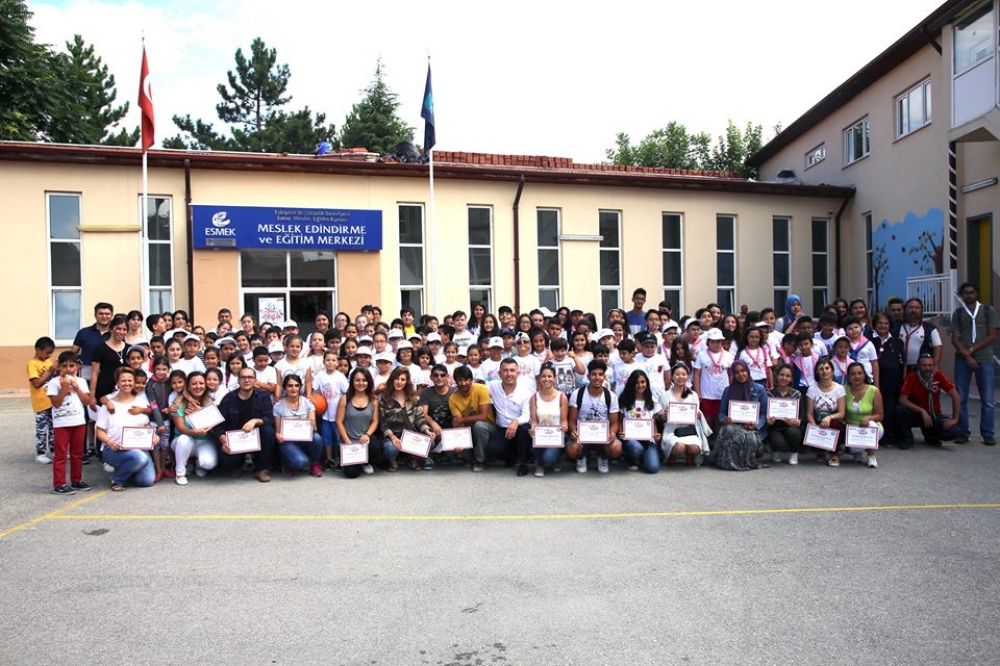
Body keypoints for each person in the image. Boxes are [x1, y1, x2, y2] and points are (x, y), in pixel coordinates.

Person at [949, 281, 998, 445]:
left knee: (988, 399)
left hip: (984, 358)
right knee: (961, 397)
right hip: (963, 359)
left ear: (976, 294)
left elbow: (992, 335)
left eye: (972, 292)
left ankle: (988, 433)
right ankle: (963, 432)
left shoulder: (988, 311)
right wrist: (966, 353)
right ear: (961, 295)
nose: (969, 295)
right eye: (966, 293)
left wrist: (972, 349)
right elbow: (954, 337)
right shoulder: (958, 313)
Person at [95, 367, 156, 490]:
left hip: (138, 447)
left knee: (146, 481)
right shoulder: (109, 404)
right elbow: (99, 430)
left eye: (130, 380)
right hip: (114, 449)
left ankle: (127, 469)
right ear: (117, 382)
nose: (127, 383)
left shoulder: (140, 402)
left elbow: (146, 425)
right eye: (123, 381)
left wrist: (153, 436)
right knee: (141, 458)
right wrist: (109, 442)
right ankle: (117, 480)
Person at [212, 368, 277, 482]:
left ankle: (261, 469)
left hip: (257, 436)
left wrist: (255, 421)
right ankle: (238, 465)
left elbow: (269, 417)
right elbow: (219, 423)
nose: (246, 380)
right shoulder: (228, 398)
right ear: (238, 380)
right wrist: (222, 437)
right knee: (226, 460)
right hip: (236, 438)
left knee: (268, 431)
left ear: (255, 380)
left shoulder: (263, 395)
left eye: (250, 377)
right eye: (243, 377)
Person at [46, 351, 91, 493]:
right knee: (61, 455)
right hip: (61, 424)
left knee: (77, 454)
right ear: (59, 367)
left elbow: (86, 401)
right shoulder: (54, 383)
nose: (68, 369)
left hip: (78, 422)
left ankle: (76, 480)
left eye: (71, 365)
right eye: (64, 366)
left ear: (77, 366)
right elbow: (56, 403)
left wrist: (76, 387)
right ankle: (59, 484)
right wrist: (64, 388)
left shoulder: (81, 382)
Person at [567, 359, 622, 474]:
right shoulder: (577, 394)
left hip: (602, 436)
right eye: (594, 374)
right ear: (588, 376)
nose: (597, 378)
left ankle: (603, 457)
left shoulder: (611, 396)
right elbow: (571, 420)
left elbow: (614, 423)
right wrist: (573, 431)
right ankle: (581, 457)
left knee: (616, 448)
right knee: (572, 450)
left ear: (604, 377)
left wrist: (612, 433)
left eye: (600, 374)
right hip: (583, 435)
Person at [896, 353, 963, 447]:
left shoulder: (938, 375)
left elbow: (955, 396)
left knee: (955, 431)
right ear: (919, 366)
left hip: (934, 414)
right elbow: (902, 399)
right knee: (900, 410)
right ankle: (907, 439)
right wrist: (922, 411)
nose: (927, 368)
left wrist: (954, 419)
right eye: (924, 365)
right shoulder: (912, 377)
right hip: (917, 414)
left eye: (930, 365)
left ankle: (932, 436)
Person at [713, 360, 768, 470]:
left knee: (749, 438)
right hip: (735, 426)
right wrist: (724, 419)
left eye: (743, 371)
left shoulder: (759, 389)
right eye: (736, 372)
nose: (740, 374)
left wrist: (756, 425)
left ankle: (746, 460)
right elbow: (722, 413)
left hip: (752, 428)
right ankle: (728, 461)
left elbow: (764, 414)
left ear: (748, 371)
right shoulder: (728, 390)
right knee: (728, 430)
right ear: (733, 374)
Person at [488, 358, 536, 476]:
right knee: (492, 450)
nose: (509, 374)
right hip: (502, 428)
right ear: (499, 374)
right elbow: (477, 390)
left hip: (519, 428)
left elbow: (527, 415)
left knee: (524, 429)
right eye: (505, 370)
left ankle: (523, 463)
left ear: (518, 373)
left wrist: (516, 421)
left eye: (512, 370)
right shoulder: (493, 387)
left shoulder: (526, 391)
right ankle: (512, 456)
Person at [380, 366, 434, 472]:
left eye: (403, 379)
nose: (399, 382)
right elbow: (383, 423)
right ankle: (393, 459)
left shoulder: (414, 397)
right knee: (389, 449)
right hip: (394, 437)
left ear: (407, 382)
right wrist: (392, 437)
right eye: (397, 379)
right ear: (392, 380)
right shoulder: (385, 398)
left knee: (430, 442)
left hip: (411, 436)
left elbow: (419, 418)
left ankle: (412, 457)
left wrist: (427, 431)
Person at [171, 371, 219, 484]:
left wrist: (200, 413)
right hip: (182, 441)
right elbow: (181, 428)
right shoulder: (178, 402)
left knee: (209, 463)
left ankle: (198, 464)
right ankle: (180, 473)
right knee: (184, 439)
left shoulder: (209, 402)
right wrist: (195, 432)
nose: (198, 386)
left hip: (204, 440)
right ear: (188, 386)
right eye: (194, 384)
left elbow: (214, 428)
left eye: (201, 383)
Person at [273, 374, 323, 478]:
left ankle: (314, 464)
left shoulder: (307, 403)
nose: (294, 388)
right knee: (300, 462)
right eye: (290, 386)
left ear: (300, 387)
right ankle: (288, 462)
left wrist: (312, 425)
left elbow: (314, 429)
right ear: (284, 387)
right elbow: (278, 432)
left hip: (304, 440)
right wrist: (278, 436)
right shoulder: (278, 406)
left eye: (296, 385)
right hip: (288, 442)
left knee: (317, 438)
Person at [449, 365, 495, 472]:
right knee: (457, 430)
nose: (463, 383)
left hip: (488, 427)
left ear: (471, 379)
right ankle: (468, 457)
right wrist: (458, 436)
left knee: (479, 426)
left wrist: (462, 420)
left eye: (466, 380)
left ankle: (480, 460)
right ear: (455, 381)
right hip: (468, 429)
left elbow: (483, 416)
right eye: (460, 380)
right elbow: (458, 421)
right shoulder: (453, 398)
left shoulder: (482, 389)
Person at [659, 363, 706, 466]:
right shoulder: (665, 395)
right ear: (672, 376)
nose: (680, 377)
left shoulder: (693, 395)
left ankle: (689, 456)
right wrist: (664, 416)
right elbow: (660, 417)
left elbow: (696, 413)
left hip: (689, 430)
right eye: (677, 374)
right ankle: (672, 456)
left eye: (684, 374)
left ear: (687, 376)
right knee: (679, 447)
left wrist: (697, 415)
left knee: (695, 449)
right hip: (671, 430)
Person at [335, 367, 378, 478]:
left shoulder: (374, 399)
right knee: (351, 474)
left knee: (376, 446)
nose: (361, 383)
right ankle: (355, 461)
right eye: (357, 380)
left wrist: (367, 435)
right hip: (348, 440)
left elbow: (375, 421)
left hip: (365, 440)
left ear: (369, 382)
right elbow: (339, 422)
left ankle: (365, 462)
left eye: (364, 380)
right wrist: (347, 442)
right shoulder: (345, 398)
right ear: (352, 381)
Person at [870, 312, 906, 446]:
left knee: (889, 410)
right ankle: (872, 437)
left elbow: (902, 362)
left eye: (886, 323)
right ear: (874, 325)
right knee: (873, 410)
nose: (883, 326)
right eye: (880, 323)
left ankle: (887, 437)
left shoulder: (897, 342)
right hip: (873, 383)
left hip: (891, 383)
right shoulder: (868, 340)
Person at [617, 370, 662, 473]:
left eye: (643, 382)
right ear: (631, 384)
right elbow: (620, 420)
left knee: (652, 468)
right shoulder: (624, 400)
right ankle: (631, 459)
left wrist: (656, 435)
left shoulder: (652, 400)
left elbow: (653, 421)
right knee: (636, 448)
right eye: (636, 382)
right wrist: (621, 432)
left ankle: (642, 457)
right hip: (631, 439)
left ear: (647, 383)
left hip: (648, 440)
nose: (640, 385)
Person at [528, 363, 568, 477]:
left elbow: (564, 420)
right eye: (543, 376)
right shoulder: (534, 398)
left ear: (554, 378)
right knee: (532, 437)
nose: (547, 379)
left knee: (549, 458)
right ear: (539, 378)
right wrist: (533, 428)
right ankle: (540, 464)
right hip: (541, 435)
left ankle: (555, 459)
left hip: (556, 436)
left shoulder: (562, 397)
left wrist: (564, 427)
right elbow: (534, 420)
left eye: (550, 376)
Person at [806, 359, 847, 466]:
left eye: (827, 368)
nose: (824, 371)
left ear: (832, 371)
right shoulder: (812, 389)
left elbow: (842, 413)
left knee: (835, 424)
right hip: (817, 421)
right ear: (817, 372)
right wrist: (814, 429)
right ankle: (820, 450)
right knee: (810, 427)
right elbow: (809, 413)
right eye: (821, 369)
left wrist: (829, 417)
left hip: (833, 421)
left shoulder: (840, 389)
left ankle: (835, 454)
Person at [844, 362, 884, 468]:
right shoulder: (844, 390)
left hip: (869, 425)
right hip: (852, 428)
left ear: (864, 375)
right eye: (853, 374)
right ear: (848, 376)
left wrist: (869, 418)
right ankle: (857, 453)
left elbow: (880, 415)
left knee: (873, 426)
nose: (856, 376)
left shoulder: (873, 390)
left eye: (860, 373)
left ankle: (871, 455)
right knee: (855, 448)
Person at [766, 364, 804, 465]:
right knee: (779, 442)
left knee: (794, 433)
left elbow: (802, 414)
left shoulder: (796, 394)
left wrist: (797, 421)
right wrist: (768, 422)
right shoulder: (769, 394)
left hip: (791, 426)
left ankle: (794, 453)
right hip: (775, 427)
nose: (784, 378)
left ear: (791, 379)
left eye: (788, 376)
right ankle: (775, 450)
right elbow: (765, 414)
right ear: (776, 376)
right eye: (781, 375)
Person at [28, 336, 56, 464]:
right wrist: (50, 371)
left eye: (51, 353)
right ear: (38, 350)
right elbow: (37, 383)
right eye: (47, 353)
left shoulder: (48, 362)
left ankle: (55, 451)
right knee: (42, 430)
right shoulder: (32, 364)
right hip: (41, 402)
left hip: (52, 401)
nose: (49, 356)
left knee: (53, 429)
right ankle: (40, 453)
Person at [898, 298, 942, 370]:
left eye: (917, 308)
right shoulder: (896, 327)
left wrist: (935, 365)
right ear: (905, 310)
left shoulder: (930, 328)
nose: (913, 310)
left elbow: (937, 347)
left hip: (922, 369)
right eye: (910, 308)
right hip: (900, 368)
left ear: (921, 310)